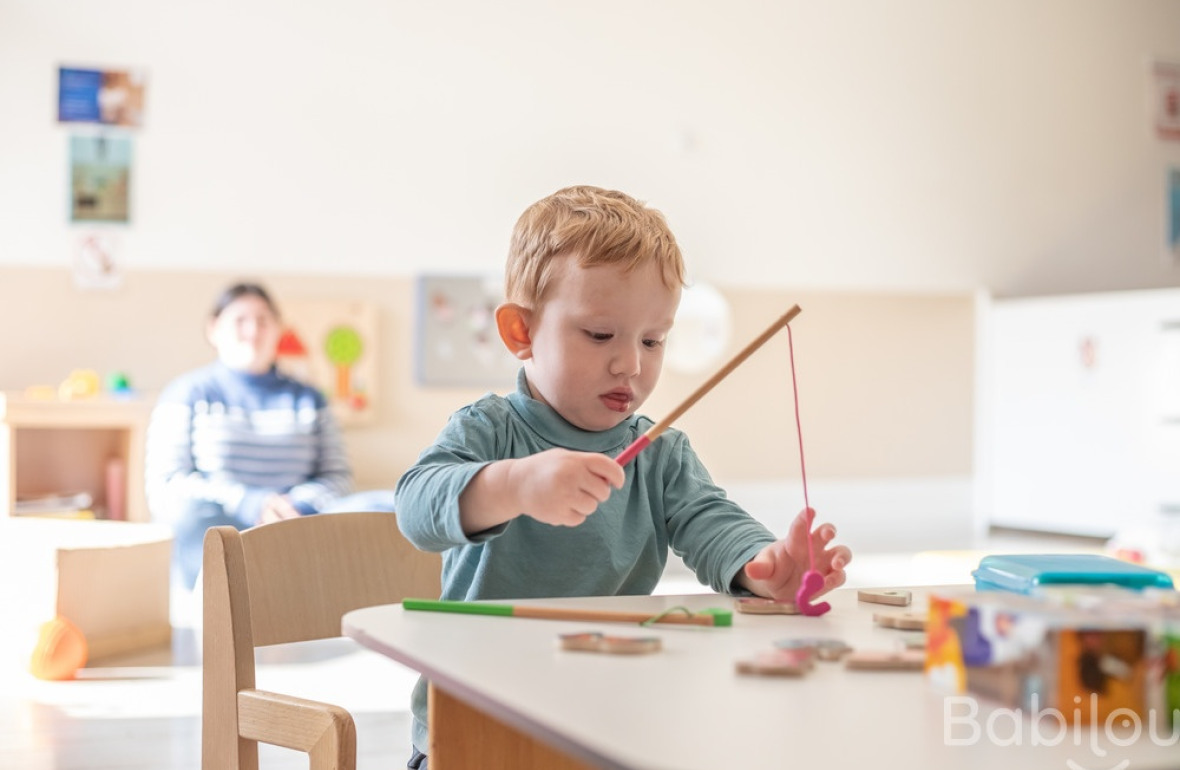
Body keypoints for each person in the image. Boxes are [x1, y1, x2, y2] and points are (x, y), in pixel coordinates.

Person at [394, 185, 852, 768]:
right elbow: (414, 507)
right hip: (473, 726)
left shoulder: (659, 452)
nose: (631, 364)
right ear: (521, 333)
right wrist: (514, 484)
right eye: (600, 335)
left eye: (653, 340)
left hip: (605, 717)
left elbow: (710, 520)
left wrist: (764, 565)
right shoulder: (490, 430)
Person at [146, 282, 353, 589]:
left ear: (278, 330)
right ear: (213, 329)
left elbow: (336, 476)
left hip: (296, 525)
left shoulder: (309, 398)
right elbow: (167, 484)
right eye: (240, 320)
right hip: (220, 528)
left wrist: (295, 506)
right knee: (187, 514)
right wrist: (250, 502)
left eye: (263, 320)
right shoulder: (187, 393)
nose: (253, 331)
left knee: (381, 507)